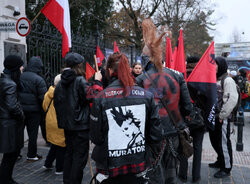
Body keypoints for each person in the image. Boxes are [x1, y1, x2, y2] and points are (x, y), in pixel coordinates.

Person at [90, 53, 164, 184]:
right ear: (129, 70)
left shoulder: (101, 97)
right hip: (138, 164)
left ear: (110, 70)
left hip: (110, 167)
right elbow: (156, 135)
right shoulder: (147, 96)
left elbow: (96, 137)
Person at [136, 18, 193, 184]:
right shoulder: (177, 76)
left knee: (155, 173)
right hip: (174, 131)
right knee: (171, 171)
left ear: (145, 58)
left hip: (152, 134)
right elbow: (188, 108)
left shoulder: (140, 80)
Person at [53, 52, 102, 184]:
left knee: (69, 155)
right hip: (80, 126)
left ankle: (67, 181)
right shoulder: (79, 80)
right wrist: (97, 81)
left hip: (68, 126)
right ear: (79, 66)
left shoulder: (60, 82)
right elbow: (95, 96)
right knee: (79, 158)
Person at [208, 57, 238, 178]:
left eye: (216, 64)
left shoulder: (227, 80)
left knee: (224, 143)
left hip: (222, 118)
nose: (213, 66)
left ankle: (226, 168)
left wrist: (222, 115)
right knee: (215, 141)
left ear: (221, 66)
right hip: (214, 117)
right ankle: (220, 160)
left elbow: (232, 100)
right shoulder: (216, 79)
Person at [178, 56, 205, 183]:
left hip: (184, 117)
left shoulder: (180, 76)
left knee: (184, 145)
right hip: (199, 118)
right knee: (198, 148)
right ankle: (196, 176)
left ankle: (182, 175)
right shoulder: (203, 77)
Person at [0, 55, 25, 184]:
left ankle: (6, 178)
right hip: (10, 125)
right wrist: (21, 115)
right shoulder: (10, 84)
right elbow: (12, 106)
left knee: (10, 156)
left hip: (7, 124)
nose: (22, 68)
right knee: (11, 155)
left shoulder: (4, 80)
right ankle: (5, 179)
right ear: (15, 67)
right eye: (21, 65)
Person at [19, 56, 47, 161]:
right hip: (34, 112)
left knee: (18, 132)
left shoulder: (20, 76)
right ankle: (31, 155)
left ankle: (16, 153)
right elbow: (42, 98)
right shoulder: (39, 79)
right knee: (33, 134)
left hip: (20, 110)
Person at [42, 74, 65, 175]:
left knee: (55, 144)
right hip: (59, 123)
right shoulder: (62, 94)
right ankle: (59, 168)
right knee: (61, 145)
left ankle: (47, 163)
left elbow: (44, 106)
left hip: (50, 121)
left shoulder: (48, 92)